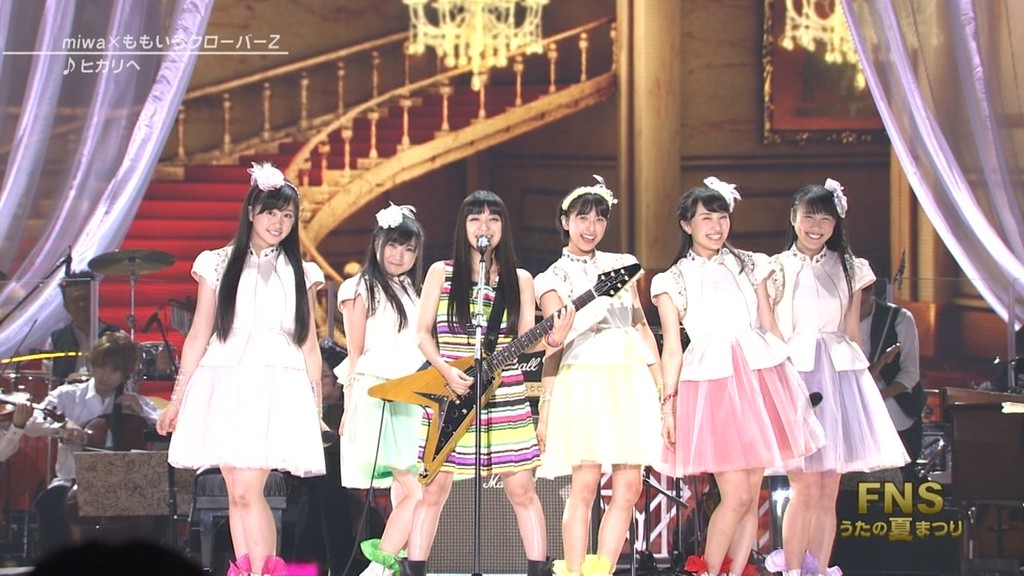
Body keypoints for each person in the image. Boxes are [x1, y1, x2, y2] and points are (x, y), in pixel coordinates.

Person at [157, 162, 327, 576]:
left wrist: (316, 409)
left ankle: (266, 572)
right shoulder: (217, 263)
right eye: (271, 212)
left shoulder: (301, 272)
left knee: (250, 490)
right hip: (224, 379)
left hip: (275, 384)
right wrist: (176, 400)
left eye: (287, 215)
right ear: (251, 211)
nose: (278, 223)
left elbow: (309, 344)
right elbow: (199, 333)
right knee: (236, 491)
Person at [650, 178, 824, 576]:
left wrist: (791, 381)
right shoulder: (673, 279)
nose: (716, 227)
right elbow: (672, 347)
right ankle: (707, 571)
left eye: (722, 218)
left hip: (758, 376)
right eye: (706, 219)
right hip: (710, 384)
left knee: (751, 495)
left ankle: (735, 570)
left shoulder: (751, 263)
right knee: (737, 496)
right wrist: (668, 406)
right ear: (686, 224)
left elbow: (768, 324)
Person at [401, 190, 574, 576]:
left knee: (522, 488)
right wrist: (446, 370)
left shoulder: (520, 279)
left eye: (493, 219)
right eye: (475, 219)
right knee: (434, 488)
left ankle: (537, 569)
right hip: (451, 390)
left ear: (503, 227)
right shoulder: (441, 273)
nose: (485, 226)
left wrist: (554, 338)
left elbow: (526, 339)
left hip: (504, 392)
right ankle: (415, 569)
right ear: (463, 227)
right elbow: (423, 333)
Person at [765, 179, 908, 576]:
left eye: (825, 219)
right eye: (809, 217)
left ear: (836, 223)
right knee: (804, 487)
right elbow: (769, 328)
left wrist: (861, 386)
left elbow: (852, 330)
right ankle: (793, 570)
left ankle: (819, 569)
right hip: (795, 370)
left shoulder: (850, 268)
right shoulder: (773, 268)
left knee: (829, 490)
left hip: (840, 374)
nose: (817, 226)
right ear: (793, 218)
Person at [533, 176, 662, 576]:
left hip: (630, 379)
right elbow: (557, 338)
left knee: (630, 487)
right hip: (584, 379)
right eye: (583, 218)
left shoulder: (623, 264)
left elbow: (642, 326)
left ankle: (601, 570)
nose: (591, 227)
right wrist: (545, 409)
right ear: (565, 221)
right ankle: (575, 571)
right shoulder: (551, 277)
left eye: (599, 219)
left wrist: (661, 387)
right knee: (585, 485)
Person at [336, 203, 426, 576]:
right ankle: (378, 568)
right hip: (377, 392)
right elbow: (354, 353)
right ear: (377, 244)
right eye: (393, 245)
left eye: (408, 248)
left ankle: (388, 570)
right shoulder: (359, 288)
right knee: (416, 491)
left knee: (404, 490)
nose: (399, 255)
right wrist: (349, 407)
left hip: (412, 391)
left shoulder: (414, 291)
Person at [24, 331, 160, 557]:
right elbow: (31, 423)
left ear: (125, 374)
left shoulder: (135, 402)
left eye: (114, 370)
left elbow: (165, 429)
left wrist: (142, 413)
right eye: (101, 366)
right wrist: (62, 426)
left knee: (157, 506)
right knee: (49, 503)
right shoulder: (68, 395)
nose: (105, 375)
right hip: (72, 480)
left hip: (123, 483)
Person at [291, 340, 357, 576]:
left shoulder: (348, 413)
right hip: (302, 480)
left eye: (325, 377)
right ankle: (334, 562)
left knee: (327, 483)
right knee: (323, 487)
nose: (318, 382)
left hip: (337, 482)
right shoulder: (300, 410)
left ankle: (325, 563)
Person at [858, 280, 923, 481]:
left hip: (894, 409)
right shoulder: (836, 320)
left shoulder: (899, 318)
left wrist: (879, 397)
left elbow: (910, 373)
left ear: (871, 291)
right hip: (855, 412)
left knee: (895, 481)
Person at [44, 271, 120, 384]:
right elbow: (48, 382)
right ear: (66, 307)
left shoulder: (117, 337)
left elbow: (127, 379)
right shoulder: (55, 340)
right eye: (75, 301)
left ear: (97, 300)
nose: (82, 305)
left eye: (86, 299)